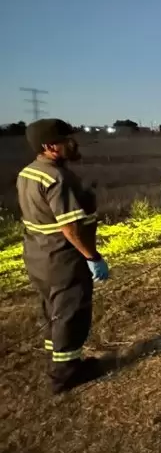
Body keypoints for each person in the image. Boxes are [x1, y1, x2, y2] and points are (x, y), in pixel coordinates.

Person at [16, 118, 109, 393]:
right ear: (50, 146)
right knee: (71, 311)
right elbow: (68, 227)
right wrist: (92, 257)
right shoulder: (58, 178)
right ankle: (66, 373)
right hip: (62, 258)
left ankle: (59, 358)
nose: (72, 143)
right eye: (66, 139)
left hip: (37, 255)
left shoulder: (28, 173)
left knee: (52, 310)